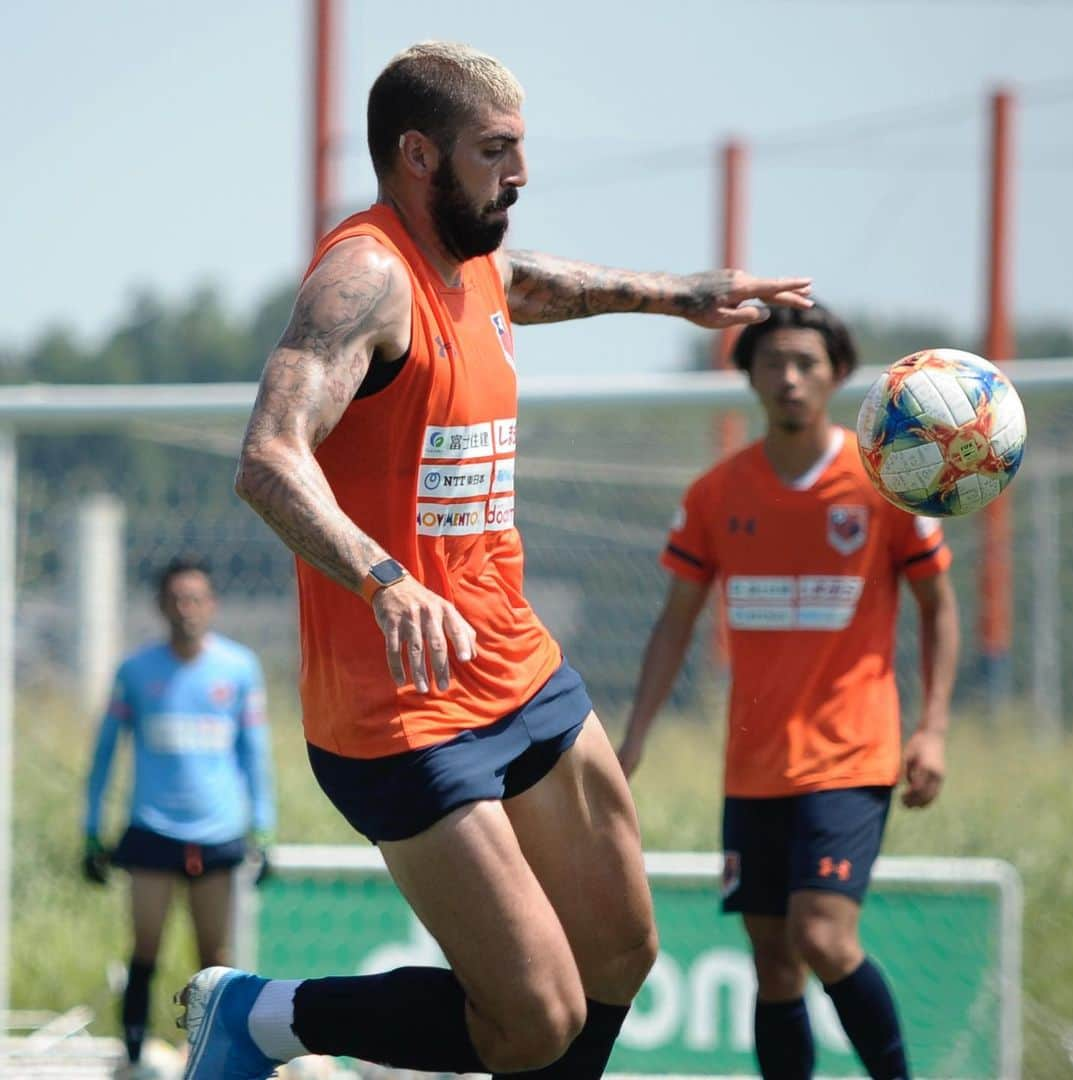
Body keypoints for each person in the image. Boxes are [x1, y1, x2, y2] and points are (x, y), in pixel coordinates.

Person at [174, 41, 813, 1080]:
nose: (520, 173)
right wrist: (386, 579)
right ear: (420, 155)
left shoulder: (470, 260)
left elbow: (530, 281)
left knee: (621, 952)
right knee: (536, 1018)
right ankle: (263, 1016)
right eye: (497, 150)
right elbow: (267, 458)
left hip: (515, 664)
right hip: (400, 706)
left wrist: (678, 294)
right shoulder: (366, 276)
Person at [617, 301, 959, 1080]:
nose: (791, 378)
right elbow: (674, 624)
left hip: (851, 752)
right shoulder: (716, 495)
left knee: (823, 937)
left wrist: (932, 728)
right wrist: (634, 734)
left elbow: (939, 607)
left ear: (838, 375)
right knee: (773, 963)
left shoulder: (886, 482)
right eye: (773, 363)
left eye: (807, 362)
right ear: (750, 377)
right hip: (754, 763)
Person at [83, 555, 276, 1078]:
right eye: (176, 599)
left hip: (218, 834)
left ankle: (215, 1060)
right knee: (144, 947)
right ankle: (132, 1059)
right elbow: (104, 754)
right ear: (161, 605)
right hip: (151, 830)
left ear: (210, 605)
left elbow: (254, 753)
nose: (186, 609)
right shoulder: (136, 672)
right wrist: (90, 828)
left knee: (215, 960)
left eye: (196, 598)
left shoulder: (238, 669)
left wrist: (264, 827)